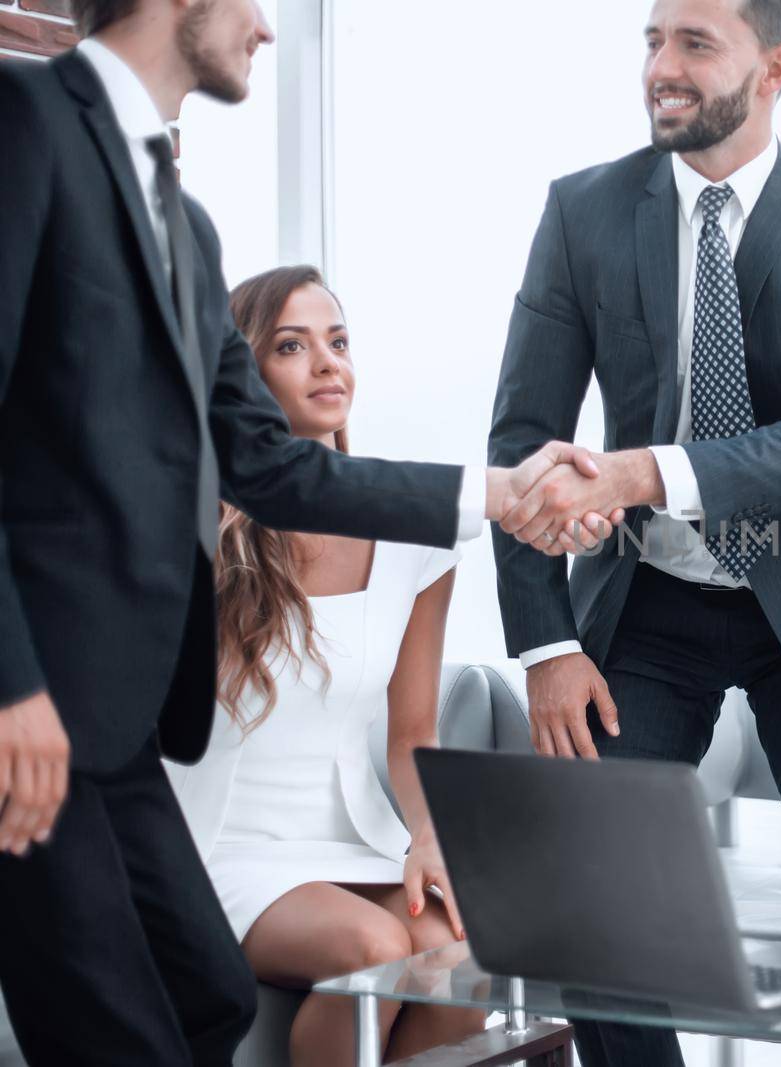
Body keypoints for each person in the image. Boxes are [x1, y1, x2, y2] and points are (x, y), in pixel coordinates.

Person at [0, 3, 615, 1062]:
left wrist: (501, 492)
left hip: (117, 728)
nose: (268, 30)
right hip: (36, 704)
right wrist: (11, 686)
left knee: (205, 993)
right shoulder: (21, 124)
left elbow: (272, 466)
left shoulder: (183, 224)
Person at [487, 0, 781, 1063]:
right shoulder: (583, 212)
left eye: (693, 44)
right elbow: (521, 442)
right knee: (597, 899)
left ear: (772, 69)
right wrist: (546, 644)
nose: (660, 68)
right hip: (648, 604)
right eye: (651, 41)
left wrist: (641, 471)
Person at [162, 266, 485, 1064]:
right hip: (218, 843)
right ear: (242, 374)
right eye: (291, 346)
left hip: (347, 837)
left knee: (465, 965)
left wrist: (429, 835)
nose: (327, 364)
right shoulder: (196, 525)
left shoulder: (418, 541)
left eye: (338, 342)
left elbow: (412, 733)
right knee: (375, 950)